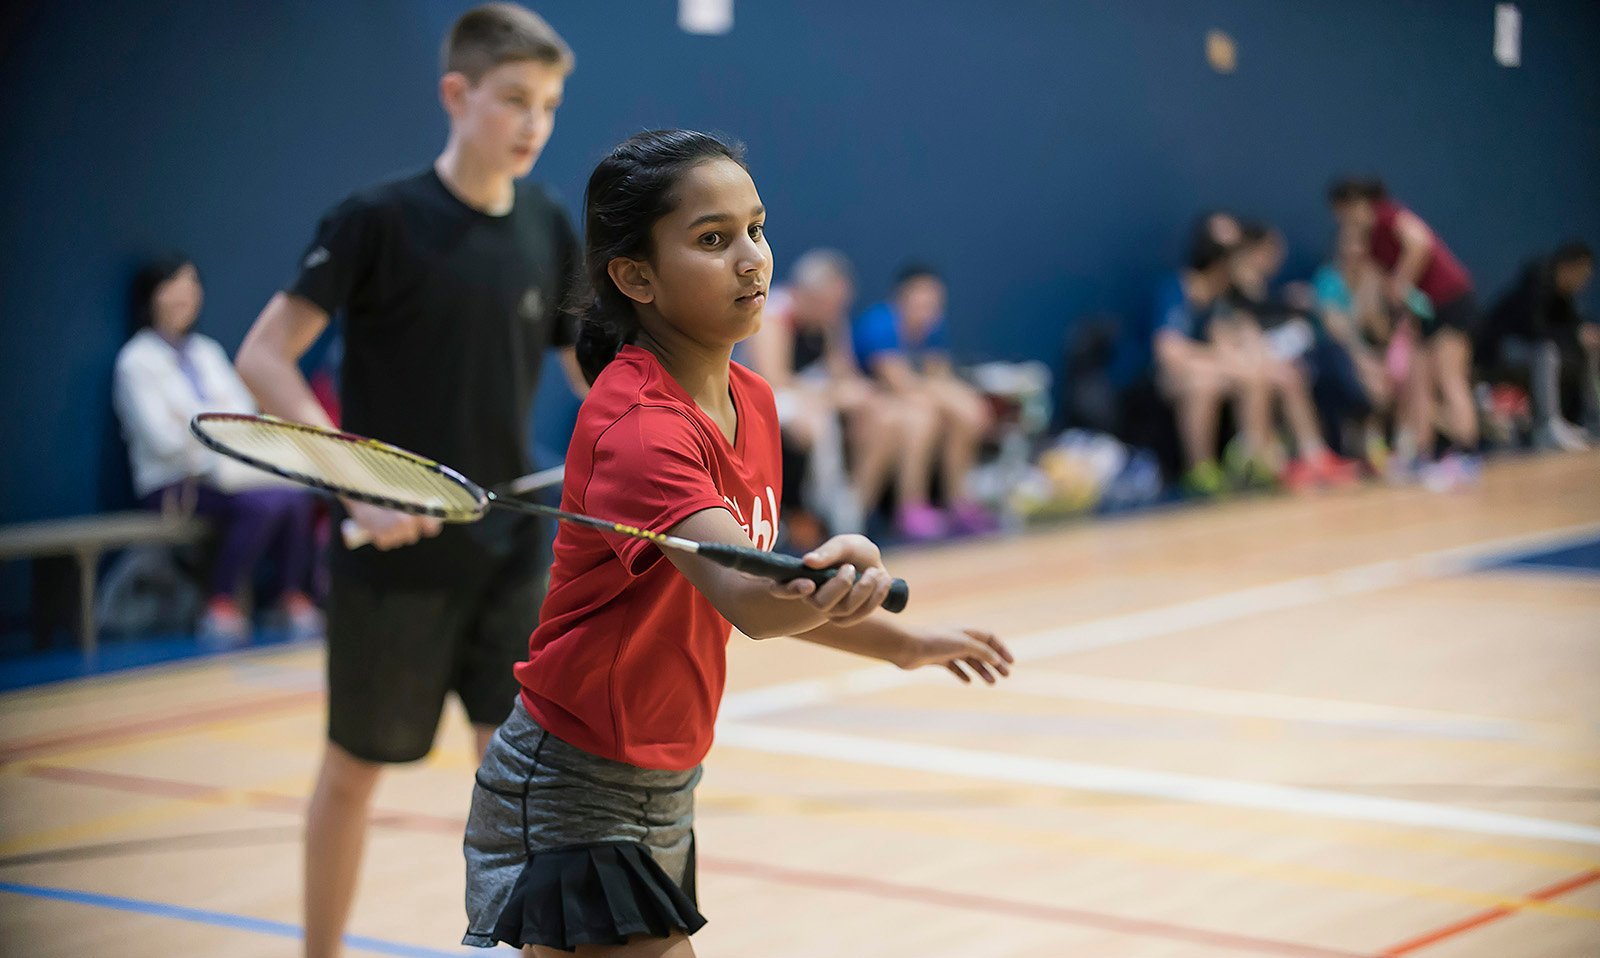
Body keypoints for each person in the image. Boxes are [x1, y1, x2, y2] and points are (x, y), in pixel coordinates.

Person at [461, 129, 1013, 957]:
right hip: (580, 783)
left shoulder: (751, 402)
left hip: (667, 774)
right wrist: (848, 557)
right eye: (713, 241)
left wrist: (902, 642)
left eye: (755, 229)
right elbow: (756, 602)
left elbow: (775, 585)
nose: (753, 259)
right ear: (635, 276)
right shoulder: (642, 429)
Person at [232, 7, 584, 957]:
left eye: (549, 105)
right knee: (352, 771)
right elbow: (265, 359)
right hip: (391, 561)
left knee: (512, 776)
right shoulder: (376, 221)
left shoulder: (549, 224)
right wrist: (357, 487)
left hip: (510, 549)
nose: (533, 123)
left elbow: (591, 376)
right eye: (515, 99)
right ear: (457, 95)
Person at [112, 256, 320, 646]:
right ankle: (219, 601)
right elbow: (163, 440)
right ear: (152, 296)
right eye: (173, 285)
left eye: (191, 284)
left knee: (293, 497)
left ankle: (289, 596)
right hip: (173, 483)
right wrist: (211, 440)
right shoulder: (135, 361)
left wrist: (199, 427)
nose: (184, 295)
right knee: (265, 504)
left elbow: (242, 418)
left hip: (230, 475)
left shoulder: (207, 352)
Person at [744, 249, 906, 542]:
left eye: (839, 304)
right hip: (763, 398)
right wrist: (828, 394)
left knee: (882, 413)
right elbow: (772, 379)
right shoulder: (775, 315)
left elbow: (842, 372)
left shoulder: (831, 318)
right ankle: (813, 510)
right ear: (807, 294)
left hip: (812, 395)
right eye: (829, 304)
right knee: (813, 424)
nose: (835, 311)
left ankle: (855, 506)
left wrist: (855, 393)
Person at [1329, 178, 1481, 488]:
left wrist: (1401, 281)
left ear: (1356, 204)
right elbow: (1374, 289)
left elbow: (1419, 243)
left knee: (1449, 376)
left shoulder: (1390, 215)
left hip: (1450, 301)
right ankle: (1421, 458)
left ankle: (1467, 456)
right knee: (1419, 384)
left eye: (1344, 212)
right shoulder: (1371, 243)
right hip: (1423, 312)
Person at [852, 265, 994, 540]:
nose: (929, 308)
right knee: (922, 415)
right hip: (877, 404)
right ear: (902, 298)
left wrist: (964, 403)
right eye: (922, 300)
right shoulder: (879, 323)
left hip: (910, 400)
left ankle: (960, 501)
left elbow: (938, 375)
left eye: (935, 302)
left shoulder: (934, 327)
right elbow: (898, 383)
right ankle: (909, 506)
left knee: (959, 414)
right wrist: (952, 399)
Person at [1222, 223, 1362, 489]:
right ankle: (1257, 457)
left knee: (1291, 376)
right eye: (1271, 251)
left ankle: (1314, 457)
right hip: (1238, 361)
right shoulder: (1232, 292)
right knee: (1275, 378)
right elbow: (1237, 333)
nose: (1276, 258)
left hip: (1259, 358)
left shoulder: (1263, 291)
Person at [1477, 241, 1599, 450]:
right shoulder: (1538, 282)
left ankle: (1590, 421)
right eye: (1583, 273)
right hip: (1501, 350)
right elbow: (1535, 331)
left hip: (1530, 351)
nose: (1583, 282)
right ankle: (1548, 426)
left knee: (1583, 348)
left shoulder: (1565, 297)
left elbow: (1570, 327)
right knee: (1547, 353)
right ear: (1571, 266)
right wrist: (1574, 336)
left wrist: (1581, 335)